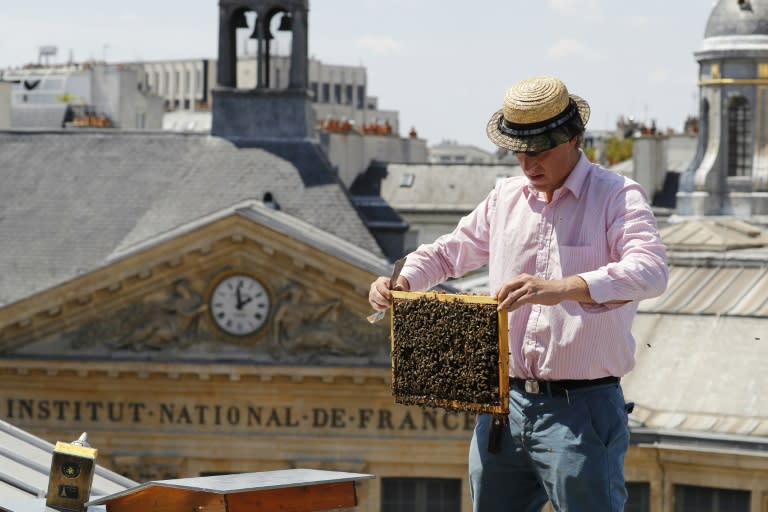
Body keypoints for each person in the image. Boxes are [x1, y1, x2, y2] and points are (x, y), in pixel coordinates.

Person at [368, 75, 668, 512]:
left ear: (575, 139)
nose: (528, 164)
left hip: (582, 410)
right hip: (502, 408)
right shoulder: (505, 196)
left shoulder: (618, 196)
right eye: (520, 152)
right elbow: (449, 252)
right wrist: (402, 281)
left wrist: (562, 287)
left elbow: (651, 271)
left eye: (540, 150)